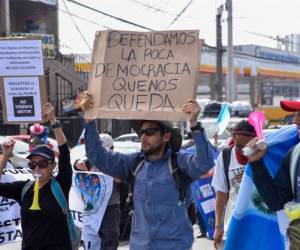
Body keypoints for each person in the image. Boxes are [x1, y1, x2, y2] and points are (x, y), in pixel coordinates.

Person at [79, 91, 215, 250]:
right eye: (141, 133)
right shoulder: (134, 164)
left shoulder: (180, 163)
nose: (143, 137)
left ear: (166, 136)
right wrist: (89, 119)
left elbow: (205, 163)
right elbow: (98, 156)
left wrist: (194, 124)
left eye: (150, 132)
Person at [0, 103, 73, 250]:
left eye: (43, 163)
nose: (37, 167)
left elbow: (64, 152)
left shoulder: (60, 184)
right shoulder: (24, 188)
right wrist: (5, 156)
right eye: (33, 165)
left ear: (53, 166)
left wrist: (53, 121)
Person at [212, 120, 257, 249]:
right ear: (233, 139)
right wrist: (218, 226)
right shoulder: (226, 157)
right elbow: (221, 194)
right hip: (234, 222)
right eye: (238, 146)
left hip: (258, 220)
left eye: (246, 146)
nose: (243, 150)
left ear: (254, 140)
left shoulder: (262, 156)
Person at [74, 133, 121, 250]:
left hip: (110, 207)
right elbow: (76, 165)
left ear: (112, 149)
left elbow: (122, 180)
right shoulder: (92, 159)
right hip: (93, 207)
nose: (100, 155)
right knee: (92, 236)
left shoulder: (117, 161)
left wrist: (114, 175)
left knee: (110, 237)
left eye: (103, 151)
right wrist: (78, 163)